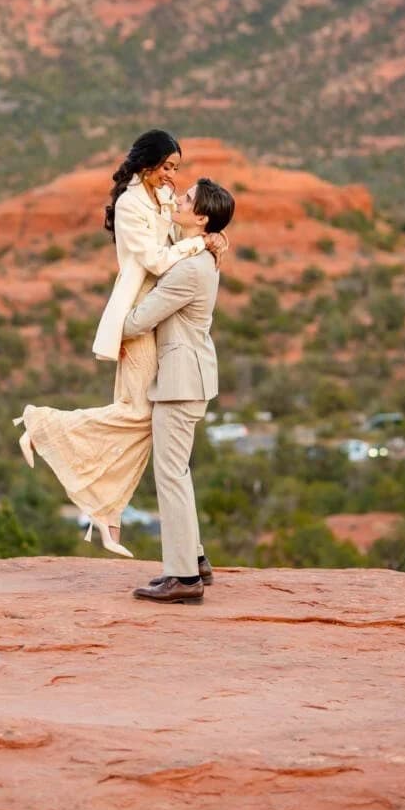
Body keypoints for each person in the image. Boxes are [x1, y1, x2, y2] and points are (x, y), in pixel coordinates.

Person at [14, 130, 226, 557]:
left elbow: (180, 231)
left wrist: (210, 235)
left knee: (141, 420)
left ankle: (108, 511)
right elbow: (156, 260)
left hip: (157, 310)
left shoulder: (159, 197)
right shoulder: (130, 205)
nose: (172, 178)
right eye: (167, 168)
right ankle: (42, 428)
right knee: (138, 415)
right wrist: (198, 242)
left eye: (176, 169)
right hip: (139, 310)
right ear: (148, 165)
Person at [126, 178, 235, 605]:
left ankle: (183, 577)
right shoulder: (195, 251)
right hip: (188, 378)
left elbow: (140, 321)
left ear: (202, 218)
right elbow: (162, 231)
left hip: (180, 382)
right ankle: (196, 560)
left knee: (170, 475)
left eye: (187, 198)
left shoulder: (190, 268)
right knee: (178, 473)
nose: (179, 199)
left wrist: (114, 320)